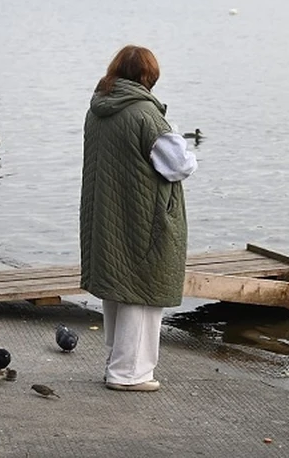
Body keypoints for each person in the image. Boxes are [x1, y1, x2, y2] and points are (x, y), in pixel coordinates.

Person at [80, 45, 197, 392]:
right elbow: (178, 165)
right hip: (141, 215)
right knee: (142, 289)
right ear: (148, 76)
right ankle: (129, 374)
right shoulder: (145, 114)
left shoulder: (98, 109)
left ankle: (116, 364)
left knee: (117, 285)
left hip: (105, 212)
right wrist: (185, 147)